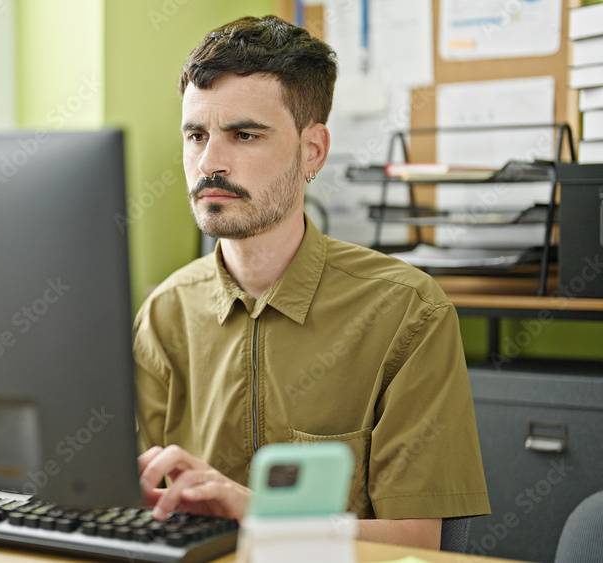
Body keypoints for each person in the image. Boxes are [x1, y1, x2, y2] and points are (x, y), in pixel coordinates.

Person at [134, 15, 490, 550]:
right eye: (196, 135)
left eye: (244, 135)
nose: (209, 163)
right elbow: (125, 505)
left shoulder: (408, 312)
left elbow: (418, 539)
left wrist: (257, 514)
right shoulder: (164, 314)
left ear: (313, 151)